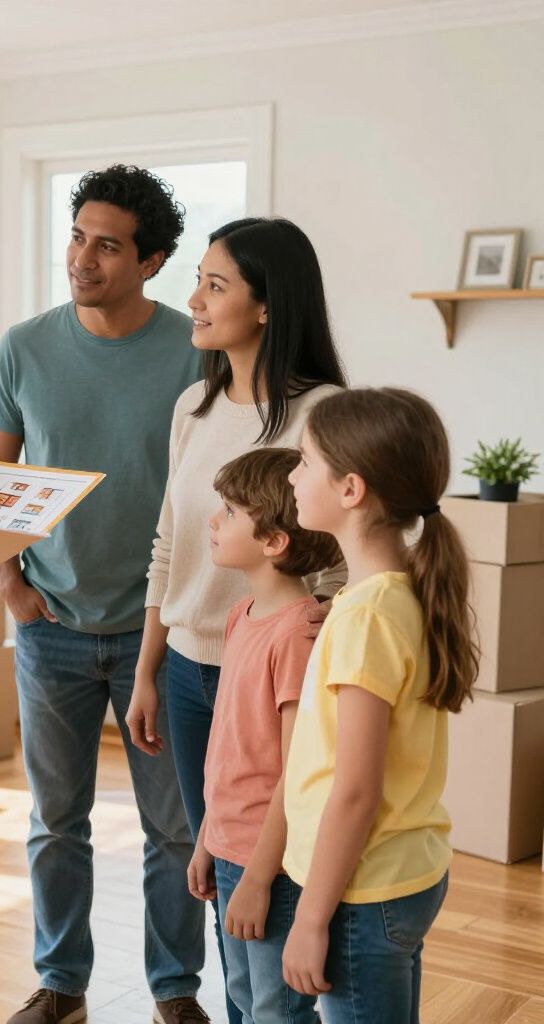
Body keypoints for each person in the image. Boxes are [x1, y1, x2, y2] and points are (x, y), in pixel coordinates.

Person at [0, 165, 208, 1024]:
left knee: (175, 828)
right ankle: (62, 986)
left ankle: (176, 992)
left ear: (150, 262)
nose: (82, 258)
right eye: (77, 236)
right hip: (52, 628)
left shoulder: (197, 349)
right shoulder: (24, 347)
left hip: (167, 633)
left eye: (107, 245)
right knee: (56, 821)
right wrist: (10, 582)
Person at [126, 217, 348, 1024]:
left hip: (278, 675)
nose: (194, 299)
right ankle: (244, 1010)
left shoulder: (326, 413)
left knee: (276, 865)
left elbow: (346, 554)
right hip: (187, 669)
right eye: (200, 280)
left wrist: (314, 636)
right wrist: (151, 667)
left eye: (215, 285)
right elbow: (168, 543)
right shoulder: (193, 403)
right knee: (220, 865)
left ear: (266, 306)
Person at [282, 387, 479, 1023]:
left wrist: (311, 919)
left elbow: (355, 791)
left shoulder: (367, 616)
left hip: (361, 894)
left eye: (305, 461)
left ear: (351, 490)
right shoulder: (395, 594)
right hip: (402, 873)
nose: (292, 474)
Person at [186, 448, 340, 1024]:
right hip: (230, 852)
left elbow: (296, 770)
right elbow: (231, 749)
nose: (213, 520)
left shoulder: (297, 633)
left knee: (277, 1011)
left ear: (274, 541)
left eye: (228, 510)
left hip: (271, 866)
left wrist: (255, 878)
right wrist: (207, 841)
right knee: (249, 1003)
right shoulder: (241, 615)